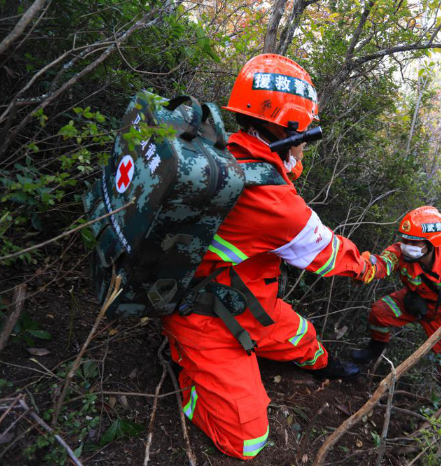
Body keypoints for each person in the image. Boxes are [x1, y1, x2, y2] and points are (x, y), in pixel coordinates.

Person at [161, 54, 376, 460]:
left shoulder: (224, 152)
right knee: (247, 441)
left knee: (303, 338)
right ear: (292, 129)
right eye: (304, 133)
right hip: (204, 318)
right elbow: (328, 254)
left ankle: (319, 363)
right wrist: (367, 267)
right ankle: (188, 370)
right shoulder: (272, 198)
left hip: (246, 299)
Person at [351, 206, 441, 391]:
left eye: (414, 241)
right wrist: (363, 269)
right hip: (413, 301)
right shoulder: (399, 253)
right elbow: (382, 264)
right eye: (404, 239)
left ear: (431, 243)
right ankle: (375, 348)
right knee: (380, 312)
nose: (406, 245)